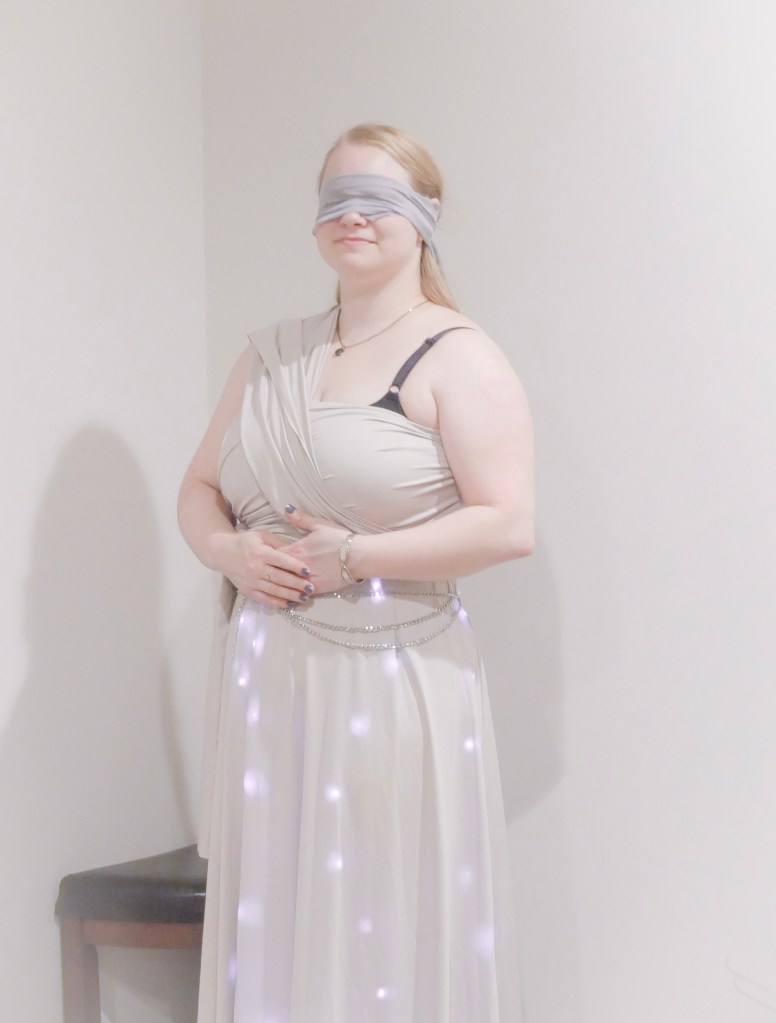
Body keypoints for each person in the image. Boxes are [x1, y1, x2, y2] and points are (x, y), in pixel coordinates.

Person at [178, 122, 534, 1023]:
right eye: (337, 198)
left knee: (376, 916)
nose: (355, 217)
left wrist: (354, 557)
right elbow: (201, 486)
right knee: (282, 912)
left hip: (391, 681)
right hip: (274, 689)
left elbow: (509, 523)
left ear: (426, 217)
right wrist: (228, 551)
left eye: (379, 199)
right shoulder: (272, 353)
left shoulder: (459, 355)